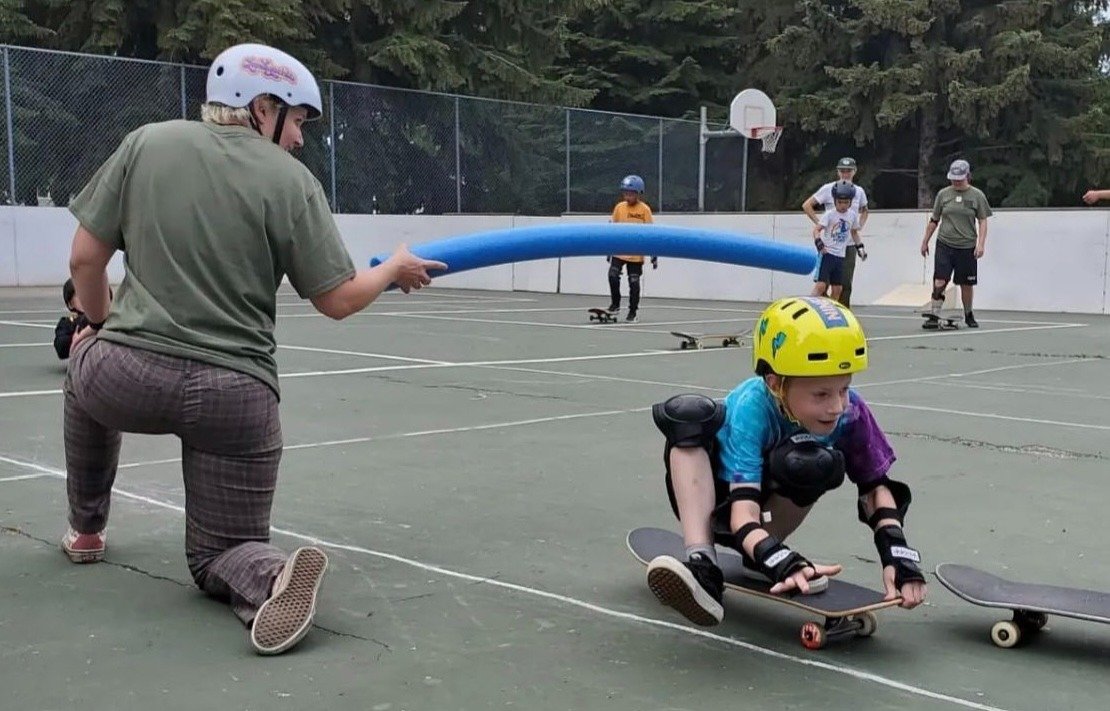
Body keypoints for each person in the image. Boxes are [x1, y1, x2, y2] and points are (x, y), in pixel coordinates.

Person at [61, 43, 445, 655]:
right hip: (236, 395)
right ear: (260, 106)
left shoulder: (146, 143)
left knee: (83, 373)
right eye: (295, 121)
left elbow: (85, 258)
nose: (298, 140)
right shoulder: (292, 182)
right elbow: (339, 299)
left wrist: (97, 326)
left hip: (128, 375)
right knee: (220, 551)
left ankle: (86, 529)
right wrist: (394, 268)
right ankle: (269, 576)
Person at [643, 296, 926, 626]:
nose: (837, 406)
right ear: (775, 383)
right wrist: (779, 560)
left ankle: (757, 558)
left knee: (813, 461)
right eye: (820, 394)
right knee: (688, 417)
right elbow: (741, 514)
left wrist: (897, 555)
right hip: (717, 500)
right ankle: (702, 564)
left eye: (844, 388)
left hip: (764, 512)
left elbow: (875, 487)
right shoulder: (752, 407)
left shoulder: (851, 412)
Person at [920, 159, 992, 329]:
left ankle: (968, 314)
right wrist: (925, 241)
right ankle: (934, 314)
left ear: (967, 176)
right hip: (945, 243)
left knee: (966, 283)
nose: (956, 182)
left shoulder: (977, 195)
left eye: (959, 178)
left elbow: (983, 220)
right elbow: (934, 219)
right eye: (953, 179)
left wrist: (980, 244)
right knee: (940, 280)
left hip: (967, 246)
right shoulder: (943, 195)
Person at [802, 157, 869, 307]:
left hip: (848, 245)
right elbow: (807, 205)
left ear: (854, 172)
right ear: (838, 172)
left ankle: (843, 315)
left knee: (843, 285)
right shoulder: (829, 189)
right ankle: (816, 310)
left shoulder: (858, 191)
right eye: (842, 171)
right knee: (822, 284)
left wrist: (859, 226)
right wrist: (820, 224)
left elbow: (865, 210)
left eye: (849, 171)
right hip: (830, 244)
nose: (845, 174)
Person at [606, 174, 657, 323]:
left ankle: (632, 311)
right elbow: (612, 229)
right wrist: (609, 249)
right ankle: (615, 304)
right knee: (613, 276)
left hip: (636, 253)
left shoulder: (644, 210)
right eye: (625, 193)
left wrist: (654, 254)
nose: (627, 196)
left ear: (638, 193)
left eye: (631, 193)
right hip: (619, 250)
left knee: (634, 282)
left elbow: (651, 233)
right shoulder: (619, 208)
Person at [811, 181, 867, 303]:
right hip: (827, 254)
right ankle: (810, 305)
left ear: (851, 202)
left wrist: (860, 247)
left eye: (846, 202)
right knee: (821, 285)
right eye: (840, 202)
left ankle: (831, 310)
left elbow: (854, 233)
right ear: (835, 201)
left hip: (840, 256)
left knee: (837, 289)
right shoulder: (830, 215)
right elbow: (816, 230)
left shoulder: (852, 216)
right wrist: (819, 243)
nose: (843, 205)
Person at [54, 279, 87, 360]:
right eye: (78, 294)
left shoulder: (104, 317)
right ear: (70, 304)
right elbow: (61, 348)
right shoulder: (68, 323)